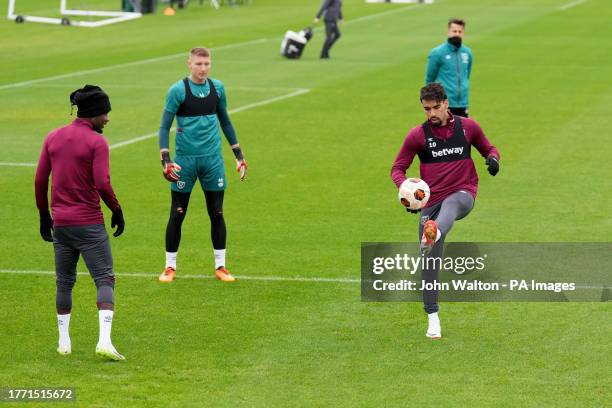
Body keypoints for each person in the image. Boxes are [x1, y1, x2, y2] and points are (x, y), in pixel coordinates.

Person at [390, 83, 500, 339]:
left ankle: (436, 230)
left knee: (451, 205)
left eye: (435, 108)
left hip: (463, 193)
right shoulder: (417, 136)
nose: (431, 114)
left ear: (446, 104)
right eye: (426, 109)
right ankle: (433, 319)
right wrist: (405, 190)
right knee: (429, 263)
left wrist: (493, 160)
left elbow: (489, 149)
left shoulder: (468, 127)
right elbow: (397, 168)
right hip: (431, 202)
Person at [35, 85, 126, 360]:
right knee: (104, 278)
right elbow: (102, 183)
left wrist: (43, 216)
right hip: (89, 224)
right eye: (105, 113)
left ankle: (64, 343)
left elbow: (40, 181)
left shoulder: (53, 137)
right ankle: (105, 342)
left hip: (61, 224)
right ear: (94, 114)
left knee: (64, 282)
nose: (108, 119)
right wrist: (117, 210)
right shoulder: (97, 143)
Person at [158, 47, 247, 283]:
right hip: (185, 162)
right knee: (178, 213)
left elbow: (225, 121)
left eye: (207, 63)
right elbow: (164, 127)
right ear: (189, 64)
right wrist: (165, 159)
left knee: (217, 213)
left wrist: (238, 153)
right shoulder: (177, 90)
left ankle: (221, 267)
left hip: (212, 161)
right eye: (198, 64)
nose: (203, 68)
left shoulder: (217, 88)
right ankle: (169, 267)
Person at [425, 18, 473, 117]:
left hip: (463, 104)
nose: (457, 34)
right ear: (448, 32)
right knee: (444, 132)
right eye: (454, 31)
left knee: (461, 132)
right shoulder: (437, 53)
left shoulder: (467, 53)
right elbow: (430, 79)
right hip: (444, 104)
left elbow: (466, 76)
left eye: (460, 31)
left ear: (463, 33)